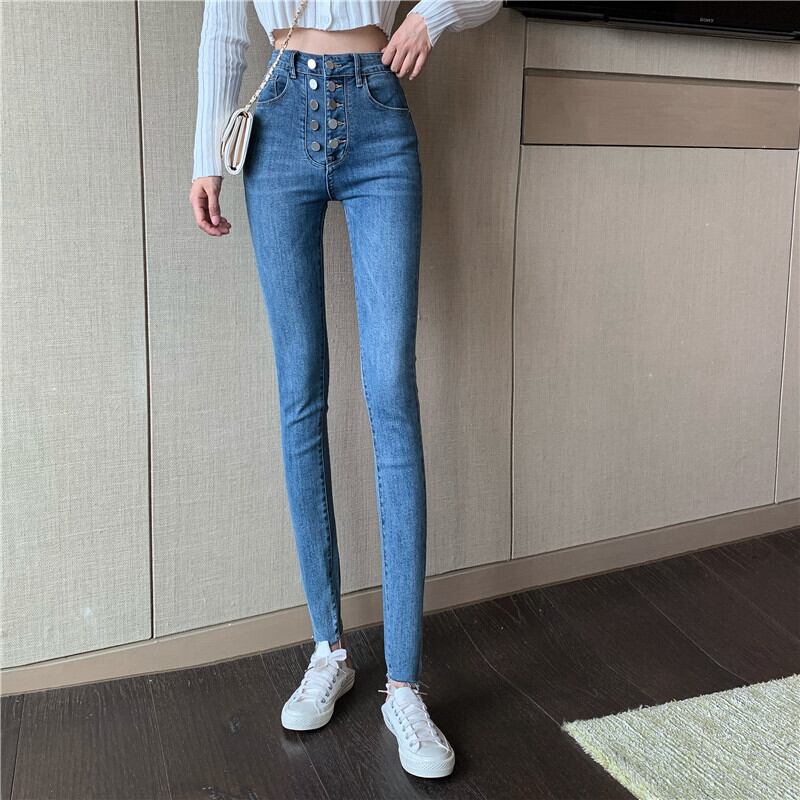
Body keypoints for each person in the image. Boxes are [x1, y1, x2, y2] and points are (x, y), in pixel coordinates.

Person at [188, 0, 502, 779]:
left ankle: (404, 685)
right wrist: (205, 154)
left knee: (391, 391)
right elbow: (225, 29)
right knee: (300, 391)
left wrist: (435, 15)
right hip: (277, 117)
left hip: (376, 113)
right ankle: (328, 649)